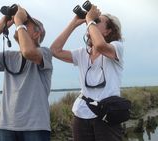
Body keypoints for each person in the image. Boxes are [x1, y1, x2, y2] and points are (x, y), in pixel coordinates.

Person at [0, 5, 52, 141]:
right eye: (18, 24)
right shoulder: (9, 57)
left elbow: (28, 52)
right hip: (7, 125)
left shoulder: (45, 53)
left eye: (26, 24)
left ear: (37, 34)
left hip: (35, 127)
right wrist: (1, 25)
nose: (18, 26)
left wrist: (19, 22)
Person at [50, 4, 124, 141]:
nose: (92, 23)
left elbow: (101, 46)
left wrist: (90, 20)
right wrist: (74, 23)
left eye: (97, 21)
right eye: (92, 22)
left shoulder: (116, 48)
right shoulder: (82, 53)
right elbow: (54, 50)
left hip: (107, 115)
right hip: (82, 113)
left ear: (108, 31)